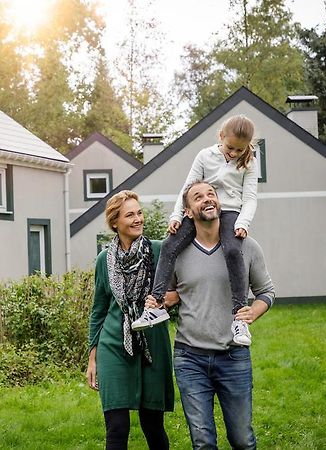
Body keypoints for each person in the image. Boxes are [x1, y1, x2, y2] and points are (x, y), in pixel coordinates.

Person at [146, 180, 274, 449]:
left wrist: (253, 313)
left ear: (219, 203)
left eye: (211, 194)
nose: (206, 199)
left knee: (242, 440)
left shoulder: (246, 245)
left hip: (233, 356)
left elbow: (266, 292)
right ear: (188, 212)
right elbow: (170, 294)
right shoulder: (177, 254)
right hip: (189, 357)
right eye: (197, 197)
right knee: (202, 442)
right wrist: (158, 303)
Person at [132, 115, 258, 346]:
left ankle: (240, 319)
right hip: (199, 210)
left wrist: (243, 223)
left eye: (239, 150)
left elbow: (250, 198)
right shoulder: (205, 156)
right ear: (221, 136)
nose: (233, 154)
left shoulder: (249, 162)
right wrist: (177, 216)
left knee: (232, 251)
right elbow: (187, 188)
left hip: (229, 212)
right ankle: (156, 305)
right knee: (170, 244)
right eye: (230, 148)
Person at [86, 190, 175, 450]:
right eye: (130, 215)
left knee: (152, 425)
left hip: (152, 343)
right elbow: (99, 310)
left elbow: (184, 288)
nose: (138, 219)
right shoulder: (105, 260)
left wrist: (166, 300)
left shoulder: (158, 251)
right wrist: (92, 358)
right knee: (117, 427)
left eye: (139, 213)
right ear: (115, 222)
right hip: (114, 344)